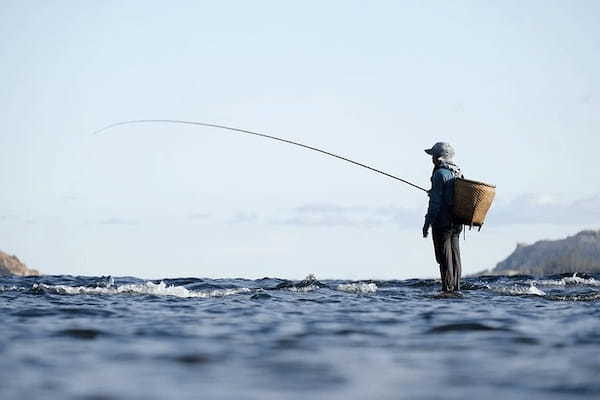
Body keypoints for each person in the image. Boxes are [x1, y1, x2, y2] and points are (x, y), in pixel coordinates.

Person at [422, 142, 463, 293]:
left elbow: (434, 204)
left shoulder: (439, 174)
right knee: (455, 257)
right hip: (457, 223)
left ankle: (447, 291)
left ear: (439, 158)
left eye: (433, 156)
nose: (431, 159)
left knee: (444, 259)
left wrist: (427, 224)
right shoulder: (457, 172)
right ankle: (456, 289)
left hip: (443, 223)